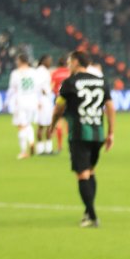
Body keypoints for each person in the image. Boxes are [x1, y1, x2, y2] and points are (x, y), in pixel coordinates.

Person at [50, 51, 116, 228]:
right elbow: (110, 107)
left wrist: (52, 125)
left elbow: (58, 108)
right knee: (90, 171)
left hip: (79, 133)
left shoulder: (69, 83)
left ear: (76, 62)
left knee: (82, 174)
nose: (68, 65)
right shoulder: (101, 81)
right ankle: (88, 212)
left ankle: (92, 216)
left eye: (69, 62)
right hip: (97, 133)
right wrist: (111, 133)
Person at [6, 54, 40, 159]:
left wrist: (7, 102)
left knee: (21, 126)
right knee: (28, 124)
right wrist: (38, 101)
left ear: (20, 61)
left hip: (21, 102)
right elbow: (37, 87)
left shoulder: (16, 73)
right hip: (32, 101)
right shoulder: (34, 72)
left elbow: (12, 89)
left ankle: (23, 151)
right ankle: (32, 141)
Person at [34, 55, 55, 155]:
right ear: (43, 61)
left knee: (48, 124)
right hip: (43, 101)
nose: (50, 63)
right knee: (42, 125)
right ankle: (41, 149)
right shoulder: (41, 71)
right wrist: (39, 99)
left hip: (47, 100)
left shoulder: (44, 71)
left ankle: (47, 148)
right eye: (49, 61)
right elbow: (37, 86)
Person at [50, 56, 71, 154]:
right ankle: (71, 145)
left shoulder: (54, 73)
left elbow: (51, 87)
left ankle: (59, 146)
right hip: (70, 99)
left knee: (59, 123)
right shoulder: (70, 72)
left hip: (59, 99)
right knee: (70, 123)